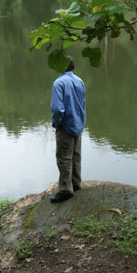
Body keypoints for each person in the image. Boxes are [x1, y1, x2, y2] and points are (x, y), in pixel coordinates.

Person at [49, 55, 86, 203]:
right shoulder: (79, 81)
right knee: (75, 154)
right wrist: (81, 121)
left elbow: (58, 109)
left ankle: (65, 189)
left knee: (64, 157)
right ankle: (76, 183)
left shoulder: (59, 83)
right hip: (77, 123)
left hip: (65, 125)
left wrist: (56, 123)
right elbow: (82, 104)